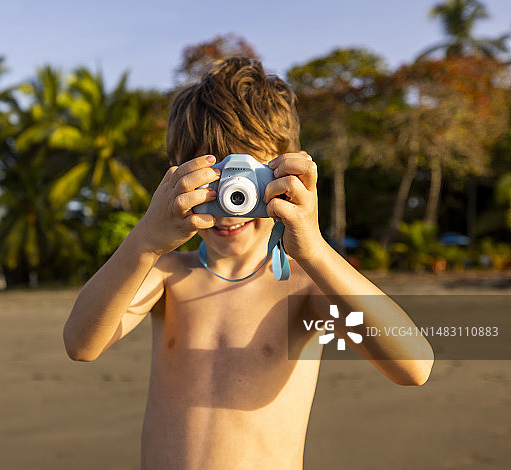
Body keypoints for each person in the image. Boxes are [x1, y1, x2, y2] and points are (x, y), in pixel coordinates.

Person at [63, 57, 433, 470]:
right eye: (212, 184)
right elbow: (81, 344)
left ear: (284, 172)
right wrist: (145, 240)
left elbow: (414, 366)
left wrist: (313, 249)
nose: (228, 207)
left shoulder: (303, 286)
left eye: (247, 183)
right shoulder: (169, 275)